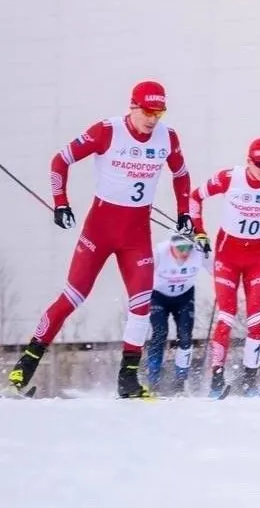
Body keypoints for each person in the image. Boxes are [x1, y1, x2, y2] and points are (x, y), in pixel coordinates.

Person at [5, 80, 193, 399]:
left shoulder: (167, 137)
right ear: (132, 107)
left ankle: (128, 379)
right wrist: (60, 202)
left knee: (142, 303)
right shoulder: (107, 131)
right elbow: (59, 161)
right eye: (147, 111)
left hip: (136, 236)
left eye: (158, 113)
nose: (152, 119)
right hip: (99, 231)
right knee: (72, 296)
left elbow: (181, 173)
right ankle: (23, 369)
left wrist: (184, 212)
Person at [189, 138, 260, 397]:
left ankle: (250, 381)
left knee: (256, 320)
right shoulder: (229, 178)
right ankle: (217, 379)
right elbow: (195, 198)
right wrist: (199, 233)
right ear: (248, 161)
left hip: (257, 257)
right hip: (227, 256)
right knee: (226, 315)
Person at [146, 232, 210, 395]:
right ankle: (153, 381)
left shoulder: (198, 253)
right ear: (171, 246)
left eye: (188, 247)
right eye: (180, 248)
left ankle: (180, 382)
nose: (184, 252)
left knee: (185, 336)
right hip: (159, 296)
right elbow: (141, 270)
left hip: (184, 296)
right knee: (160, 333)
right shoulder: (160, 252)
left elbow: (217, 268)